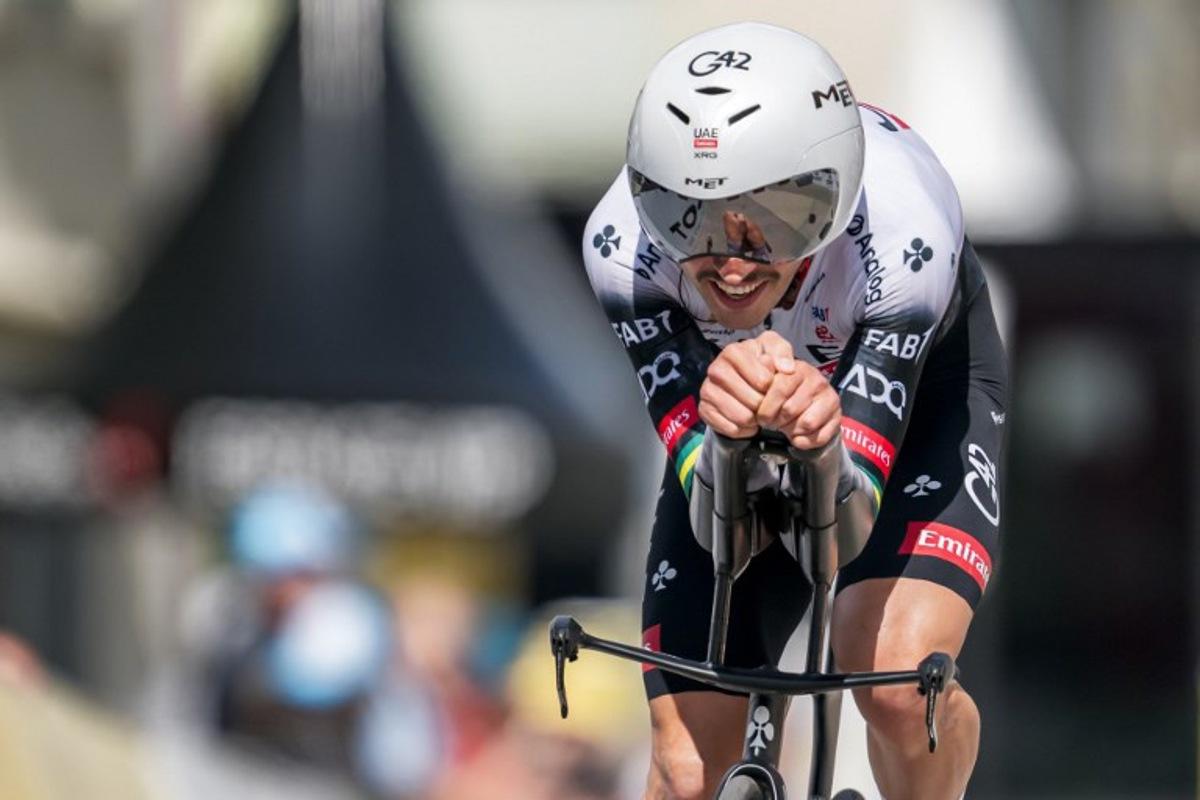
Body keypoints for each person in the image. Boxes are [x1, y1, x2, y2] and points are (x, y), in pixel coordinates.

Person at [581, 22, 1007, 800]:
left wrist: (821, 445)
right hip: (735, 425)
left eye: (775, 218)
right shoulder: (623, 251)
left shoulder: (905, 229)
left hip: (923, 403)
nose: (734, 262)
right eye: (692, 218)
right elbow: (723, 523)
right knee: (684, 773)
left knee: (896, 687)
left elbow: (842, 532)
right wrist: (723, 433)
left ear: (834, 195)